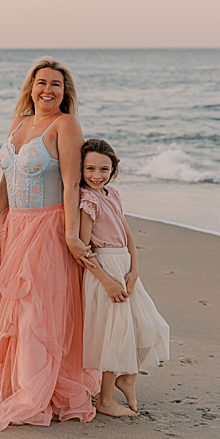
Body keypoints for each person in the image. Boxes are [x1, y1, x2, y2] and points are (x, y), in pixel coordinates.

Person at [0, 57, 98, 430]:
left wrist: (70, 233)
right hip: (14, 225)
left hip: (47, 227)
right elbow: (6, 175)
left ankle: (34, 392)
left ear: (65, 92)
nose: (48, 90)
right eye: (42, 82)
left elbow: (70, 184)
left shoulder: (66, 125)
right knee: (10, 308)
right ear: (31, 87)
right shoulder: (19, 123)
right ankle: (16, 382)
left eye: (56, 85)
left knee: (37, 311)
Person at [76, 138, 170, 417]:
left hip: (125, 267)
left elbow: (127, 233)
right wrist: (106, 280)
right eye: (90, 168)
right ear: (80, 169)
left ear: (113, 170)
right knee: (113, 333)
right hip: (104, 269)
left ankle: (126, 378)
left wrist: (135, 269)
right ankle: (105, 399)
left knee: (149, 327)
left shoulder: (112, 194)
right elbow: (83, 249)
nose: (96, 175)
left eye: (103, 169)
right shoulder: (87, 200)